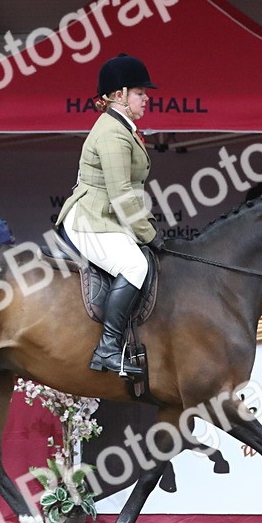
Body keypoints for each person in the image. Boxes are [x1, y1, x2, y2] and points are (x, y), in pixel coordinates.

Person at [55, 53, 163, 378]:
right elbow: (121, 194)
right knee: (135, 265)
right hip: (91, 220)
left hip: (106, 218)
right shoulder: (112, 133)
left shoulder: (122, 128)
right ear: (119, 95)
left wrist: (146, 226)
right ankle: (108, 348)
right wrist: (149, 234)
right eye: (140, 92)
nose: (146, 98)